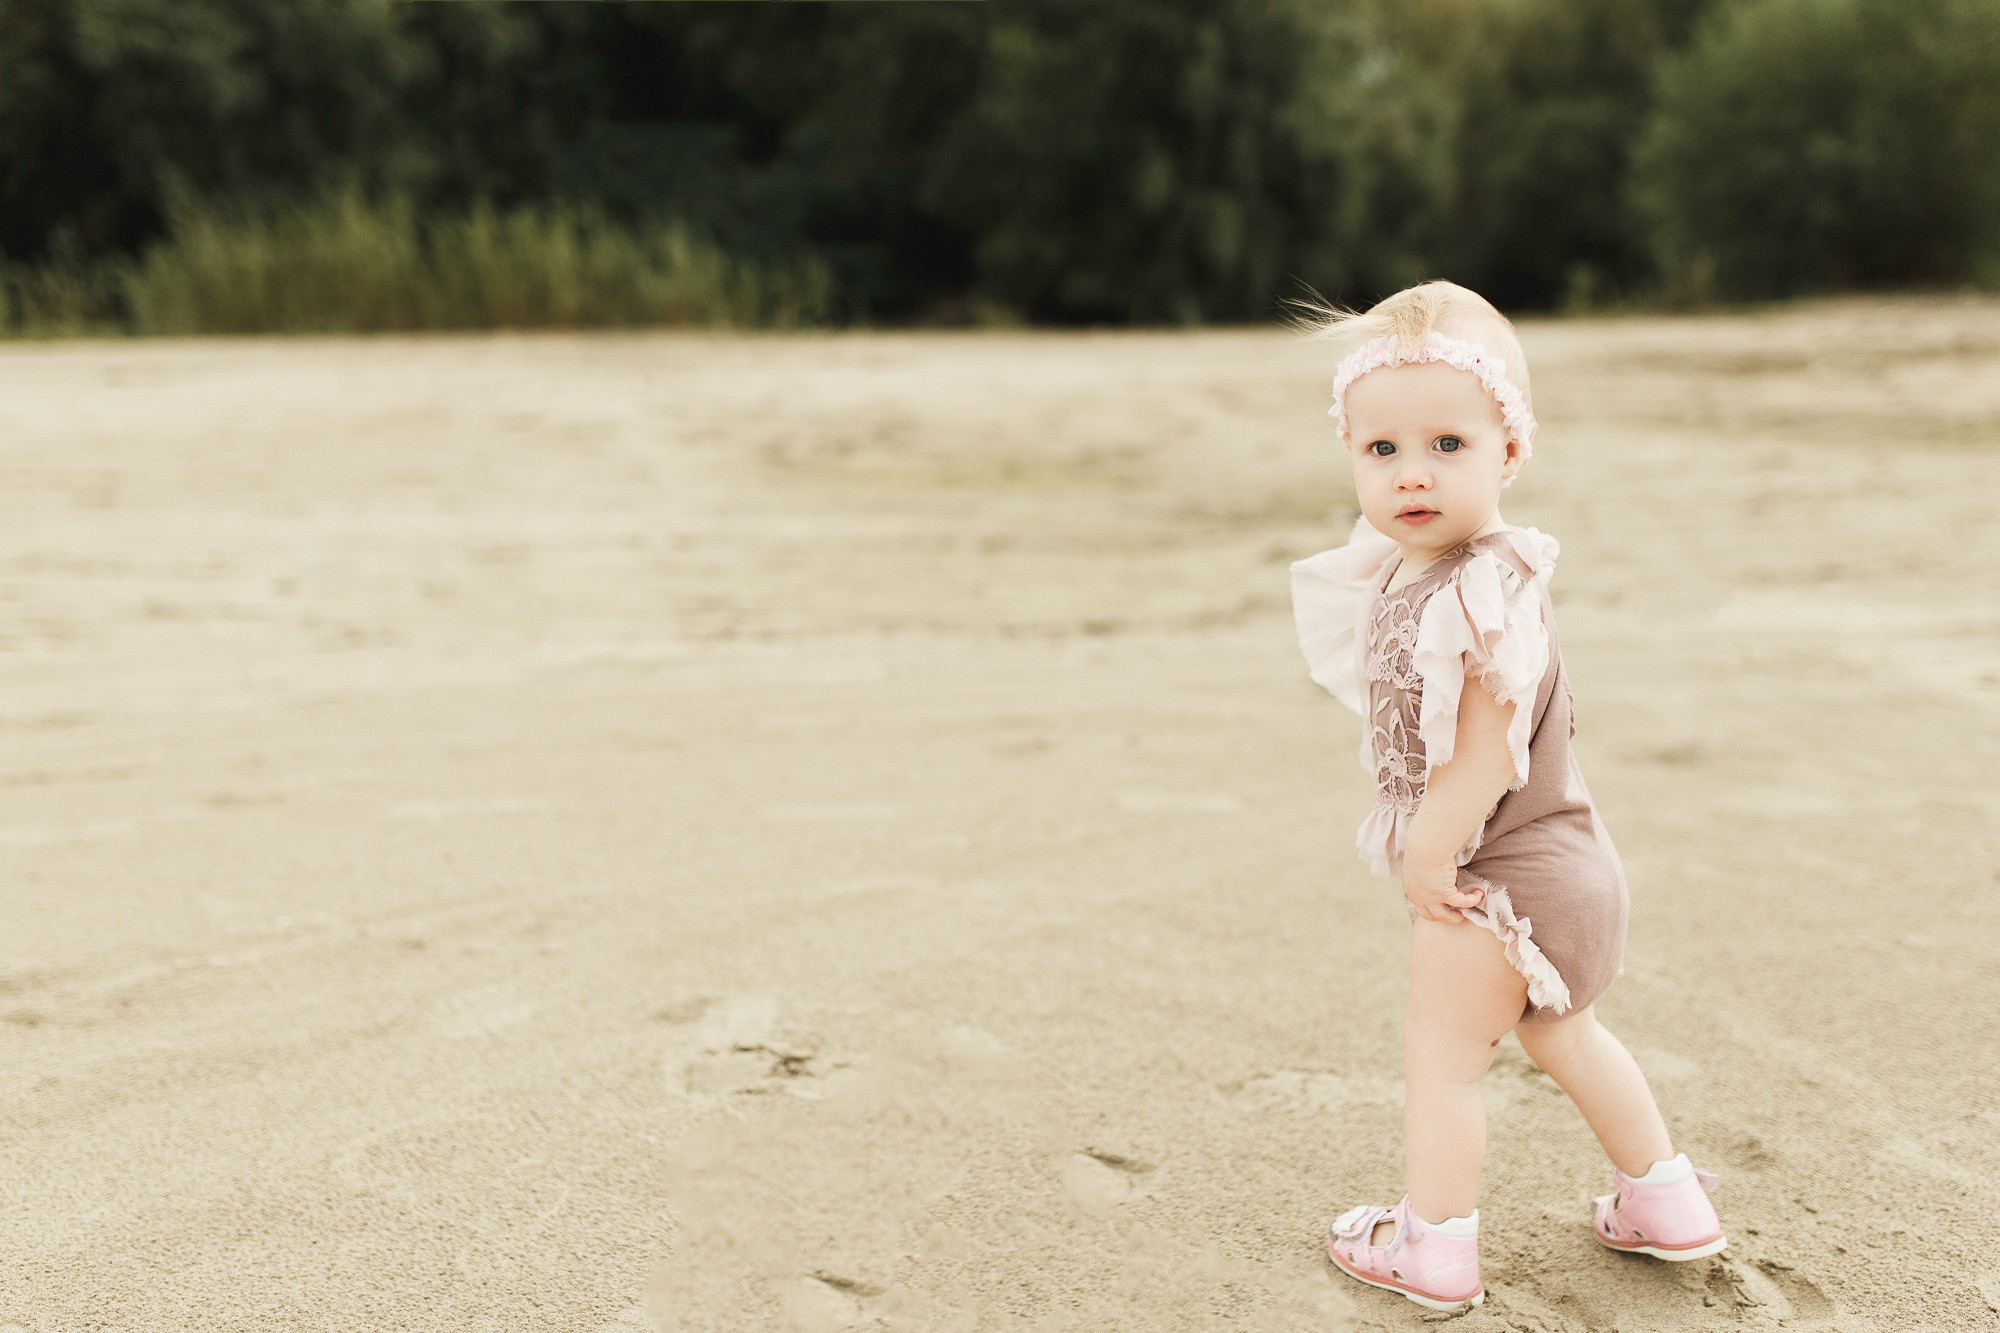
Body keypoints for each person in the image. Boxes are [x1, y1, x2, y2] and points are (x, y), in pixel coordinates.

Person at [1289, 281, 1725, 1314]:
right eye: (1382, 449)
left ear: (1510, 451)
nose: (1412, 473)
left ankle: (1432, 1246)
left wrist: (1429, 852)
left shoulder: (1478, 588)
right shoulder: (1429, 570)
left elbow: (1485, 753)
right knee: (1567, 1034)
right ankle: (1663, 1198)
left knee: (1441, 1060)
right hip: (1572, 870)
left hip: (1496, 881)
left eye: (1448, 444)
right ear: (1349, 452)